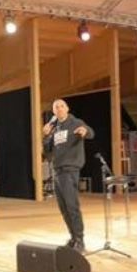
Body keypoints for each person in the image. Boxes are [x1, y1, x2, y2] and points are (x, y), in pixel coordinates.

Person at [43, 98, 95, 252]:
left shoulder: (75, 122)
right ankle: (73, 238)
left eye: (61, 106)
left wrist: (84, 132)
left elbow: (91, 132)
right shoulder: (55, 128)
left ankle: (80, 240)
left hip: (70, 169)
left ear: (67, 108)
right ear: (53, 112)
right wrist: (46, 136)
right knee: (64, 208)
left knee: (72, 206)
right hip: (57, 171)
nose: (59, 109)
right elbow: (47, 152)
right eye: (56, 107)